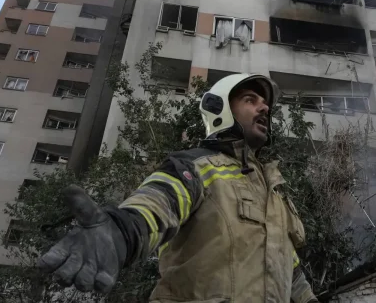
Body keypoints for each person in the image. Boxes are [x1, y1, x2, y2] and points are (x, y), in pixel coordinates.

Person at [37, 74, 318, 302]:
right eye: (250, 100)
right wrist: (120, 232)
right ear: (221, 109)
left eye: (265, 103)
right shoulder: (198, 166)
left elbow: (289, 268)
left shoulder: (275, 193)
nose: (265, 108)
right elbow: (159, 203)